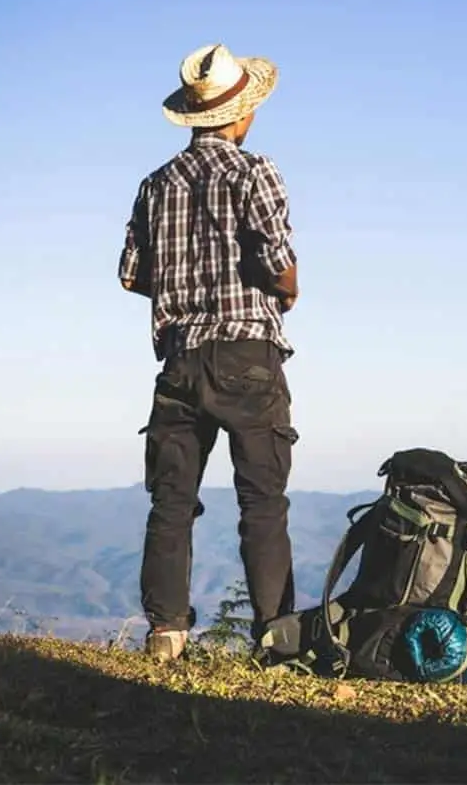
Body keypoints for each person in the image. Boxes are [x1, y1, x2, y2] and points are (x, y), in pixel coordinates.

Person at [118, 43, 300, 662]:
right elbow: (280, 267)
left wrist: (181, 284)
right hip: (248, 353)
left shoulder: (154, 186)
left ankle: (166, 634)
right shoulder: (255, 172)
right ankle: (275, 638)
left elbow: (130, 276)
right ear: (241, 115)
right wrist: (286, 290)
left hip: (179, 359)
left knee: (170, 503)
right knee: (263, 502)